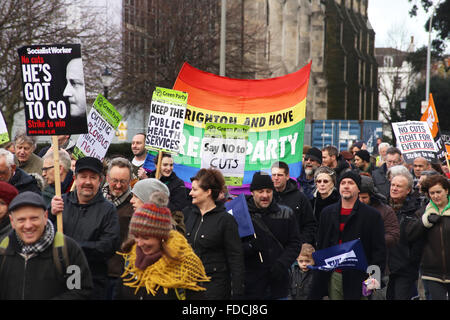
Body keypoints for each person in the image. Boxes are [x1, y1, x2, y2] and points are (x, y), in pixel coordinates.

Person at [114, 191, 210, 300]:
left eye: (146, 238)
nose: (139, 243)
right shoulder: (131, 257)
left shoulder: (185, 263)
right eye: (136, 236)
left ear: (162, 237)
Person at [50, 156, 120, 300]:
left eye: (93, 177)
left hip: (91, 283)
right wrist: (50, 214)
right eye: (83, 177)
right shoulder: (61, 203)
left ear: (100, 181)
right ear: (75, 178)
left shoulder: (108, 210)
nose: (87, 182)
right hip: (58, 281)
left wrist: (71, 249)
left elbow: (107, 246)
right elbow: (43, 234)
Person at [0, 191, 93, 299]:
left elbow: (80, 291)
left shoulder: (67, 249)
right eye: (21, 220)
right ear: (12, 221)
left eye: (34, 218)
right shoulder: (3, 250)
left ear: (45, 217)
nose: (28, 225)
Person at [308, 171, 386, 300]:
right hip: (334, 274)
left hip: (360, 276)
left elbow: (379, 251)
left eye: (350, 183)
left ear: (358, 188)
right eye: (343, 183)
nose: (346, 186)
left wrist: (373, 278)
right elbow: (321, 245)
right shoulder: (327, 213)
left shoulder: (372, 215)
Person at [183, 168, 245, 299]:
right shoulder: (188, 214)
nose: (190, 193)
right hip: (189, 286)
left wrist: (237, 291)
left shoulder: (225, 220)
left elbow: (235, 258)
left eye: (195, 190)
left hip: (214, 289)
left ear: (208, 192)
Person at [242, 172, 301, 299]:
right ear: (252, 192)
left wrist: (282, 264)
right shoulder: (241, 214)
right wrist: (250, 247)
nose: (265, 195)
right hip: (251, 286)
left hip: (279, 285)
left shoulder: (286, 213)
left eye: (269, 191)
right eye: (261, 191)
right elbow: (233, 247)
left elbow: (295, 243)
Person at [406, 175, 450, 300]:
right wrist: (424, 222)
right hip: (431, 272)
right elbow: (410, 235)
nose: (436, 196)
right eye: (432, 193)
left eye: (438, 192)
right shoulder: (422, 212)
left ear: (446, 191)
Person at [386, 171, 424, 300]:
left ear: (408, 190)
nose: (394, 188)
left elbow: (418, 240)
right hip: (383, 267)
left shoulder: (416, 211)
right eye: (393, 185)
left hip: (405, 268)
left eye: (399, 186)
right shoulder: (382, 206)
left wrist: (411, 261)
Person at [102, 157, 134, 300]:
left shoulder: (134, 204)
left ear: (130, 181)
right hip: (96, 271)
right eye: (115, 180)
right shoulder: (96, 199)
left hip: (120, 274)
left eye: (123, 182)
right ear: (107, 178)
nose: (118, 186)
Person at [271, 161, 317, 245]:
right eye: (274, 175)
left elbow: (310, 225)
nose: (276, 178)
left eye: (280, 175)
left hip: (294, 249)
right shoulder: (267, 198)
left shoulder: (300, 197)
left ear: (287, 176)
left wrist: (300, 243)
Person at [149, 153, 188, 234]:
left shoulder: (178, 183)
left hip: (168, 225)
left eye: (171, 165)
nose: (169, 168)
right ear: (157, 165)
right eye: (165, 165)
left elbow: (178, 207)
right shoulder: (148, 178)